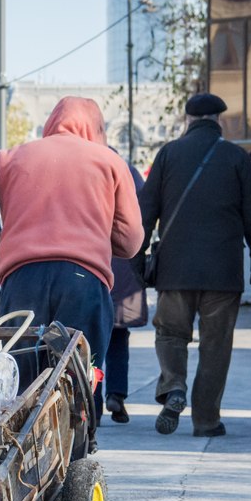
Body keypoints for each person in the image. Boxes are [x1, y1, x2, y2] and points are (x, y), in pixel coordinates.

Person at [0, 97, 144, 402]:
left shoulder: (10, 158)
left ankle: (27, 443)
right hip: (84, 280)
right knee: (79, 377)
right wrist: (94, 237)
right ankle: (75, 443)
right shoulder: (109, 161)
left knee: (22, 384)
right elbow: (130, 241)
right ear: (97, 128)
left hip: (21, 280)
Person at [137, 93, 251, 438]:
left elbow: (145, 212)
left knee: (170, 333)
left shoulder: (168, 154)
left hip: (175, 269)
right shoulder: (236, 157)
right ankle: (207, 420)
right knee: (216, 344)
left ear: (188, 120)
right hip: (222, 273)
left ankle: (174, 386)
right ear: (219, 121)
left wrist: (136, 263)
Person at [104, 159, 149, 424]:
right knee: (119, 337)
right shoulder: (127, 171)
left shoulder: (83, 165)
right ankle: (117, 394)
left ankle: (92, 403)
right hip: (124, 264)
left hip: (91, 262)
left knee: (90, 339)